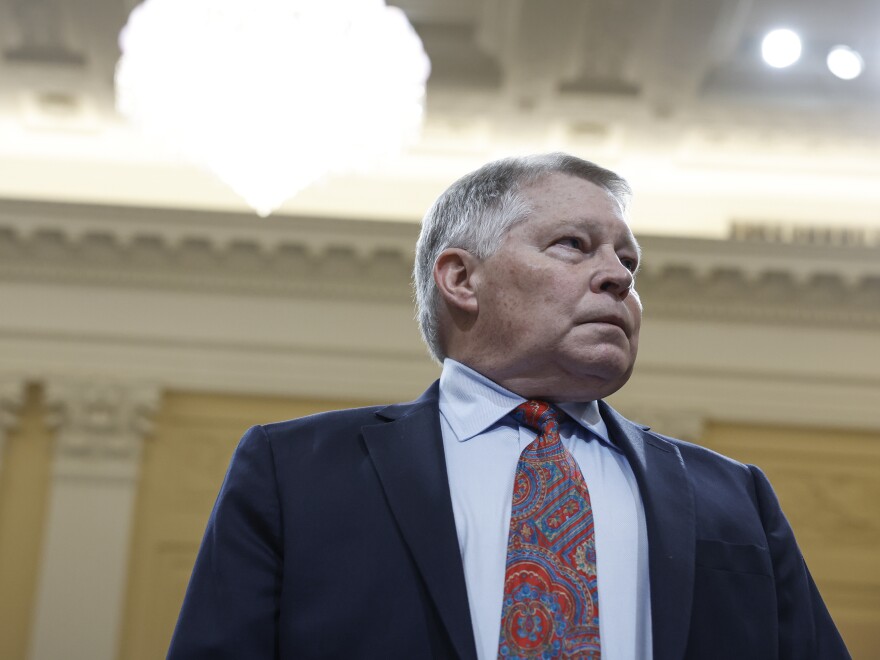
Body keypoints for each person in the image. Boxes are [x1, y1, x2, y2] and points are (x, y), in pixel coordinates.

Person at [167, 153, 850, 659]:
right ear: (462, 278)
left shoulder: (734, 495)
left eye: (627, 262)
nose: (617, 276)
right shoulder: (294, 472)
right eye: (574, 246)